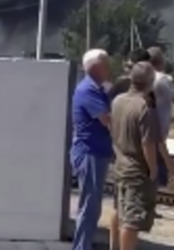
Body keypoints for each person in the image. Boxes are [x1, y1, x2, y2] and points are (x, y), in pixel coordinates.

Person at [110, 61, 161, 250]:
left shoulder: (118, 101)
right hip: (136, 171)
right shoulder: (144, 107)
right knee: (132, 220)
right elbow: (148, 143)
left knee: (120, 211)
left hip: (120, 165)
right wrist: (153, 169)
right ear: (150, 81)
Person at [71, 49, 115, 250]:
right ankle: (81, 247)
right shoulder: (89, 90)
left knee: (92, 205)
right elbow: (107, 120)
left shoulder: (97, 89)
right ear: (97, 67)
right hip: (90, 153)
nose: (109, 67)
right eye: (106, 63)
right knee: (90, 206)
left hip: (95, 152)